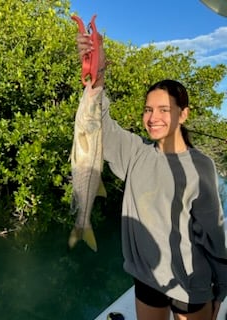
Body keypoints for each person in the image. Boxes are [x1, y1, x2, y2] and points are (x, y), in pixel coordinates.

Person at [76, 32, 227, 320]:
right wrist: (98, 69)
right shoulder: (135, 152)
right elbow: (99, 122)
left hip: (192, 284)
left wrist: (221, 286)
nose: (152, 117)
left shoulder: (201, 165)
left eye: (163, 110)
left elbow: (213, 233)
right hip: (146, 279)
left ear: (183, 114)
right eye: (148, 109)